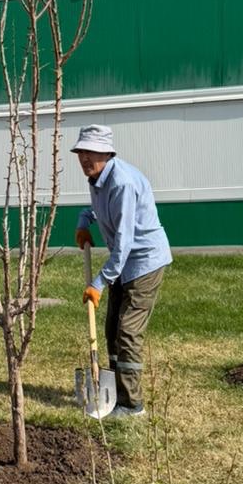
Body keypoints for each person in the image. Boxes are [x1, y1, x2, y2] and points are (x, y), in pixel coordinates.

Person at [73, 124, 171, 418]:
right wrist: (83, 221)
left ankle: (132, 405)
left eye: (91, 152)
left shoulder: (122, 183)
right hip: (123, 262)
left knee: (127, 331)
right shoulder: (98, 180)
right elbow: (100, 209)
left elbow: (125, 243)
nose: (85, 158)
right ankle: (114, 391)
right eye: (81, 152)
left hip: (144, 262)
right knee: (111, 329)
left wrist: (99, 282)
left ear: (107, 153)